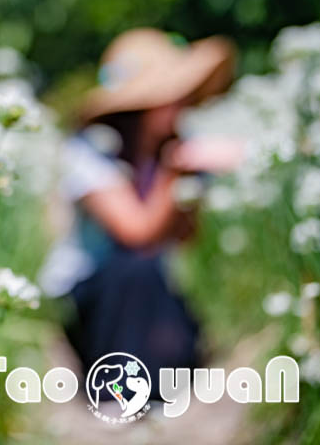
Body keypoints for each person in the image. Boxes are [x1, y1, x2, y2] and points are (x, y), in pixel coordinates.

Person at [39, 28, 243, 390]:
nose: (184, 104)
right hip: (95, 292)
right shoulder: (92, 151)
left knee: (173, 326)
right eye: (173, 95)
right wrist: (173, 172)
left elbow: (185, 238)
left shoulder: (168, 149)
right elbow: (136, 233)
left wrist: (191, 184)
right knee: (134, 267)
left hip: (149, 285)